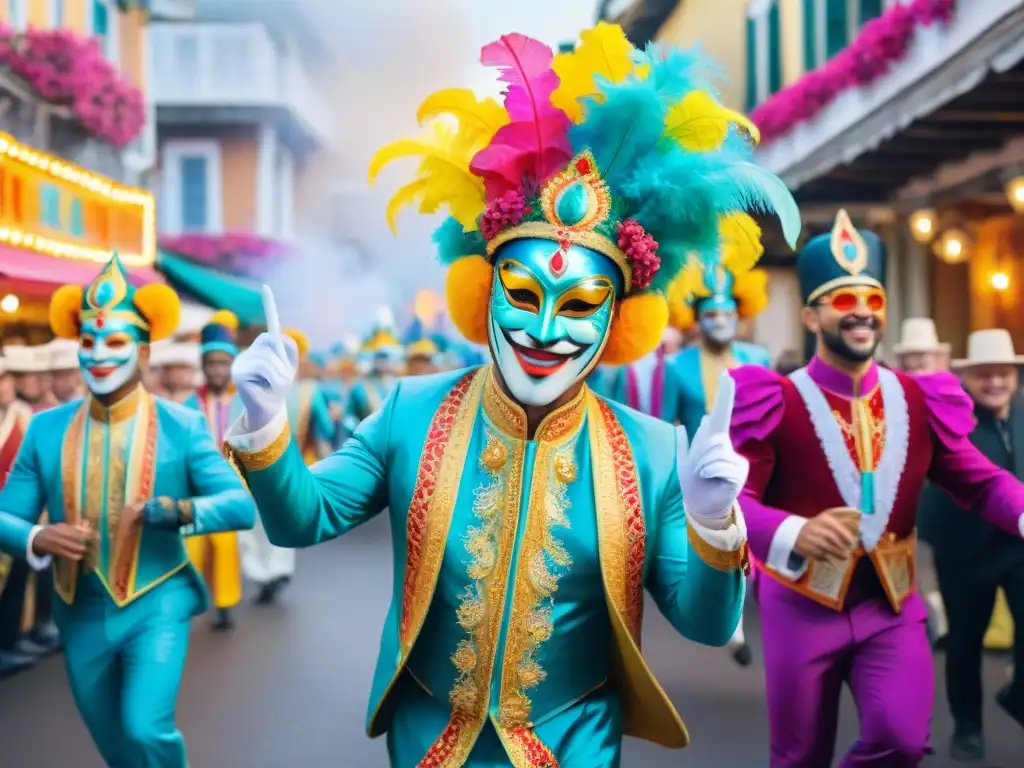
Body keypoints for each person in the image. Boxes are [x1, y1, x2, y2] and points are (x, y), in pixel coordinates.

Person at [225, 22, 798, 765]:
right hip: (430, 738)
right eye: (523, 294)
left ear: (619, 322)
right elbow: (303, 518)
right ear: (482, 293)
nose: (546, 328)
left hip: (573, 744)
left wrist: (717, 524)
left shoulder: (654, 450)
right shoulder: (410, 411)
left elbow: (704, 623)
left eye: (581, 304)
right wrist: (265, 421)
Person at [729, 210, 1024, 767]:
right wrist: (793, 529)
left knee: (903, 740)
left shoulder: (918, 398)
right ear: (810, 315)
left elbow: (979, 482)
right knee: (799, 756)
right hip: (801, 603)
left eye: (874, 299)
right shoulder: (775, 399)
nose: (863, 311)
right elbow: (733, 504)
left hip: (891, 605)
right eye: (843, 300)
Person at [0, 252, 254, 766]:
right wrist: (36, 538)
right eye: (88, 342)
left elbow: (239, 505)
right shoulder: (45, 429)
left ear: (143, 352)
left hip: (156, 602)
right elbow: (8, 514)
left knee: (144, 727)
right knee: (114, 744)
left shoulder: (181, 425)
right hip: (81, 608)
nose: (97, 354)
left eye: (114, 342)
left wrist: (174, 510)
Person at [917, 328, 1024, 761]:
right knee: (964, 643)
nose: (995, 382)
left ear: (1015, 378)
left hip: (1018, 547)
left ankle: (1017, 695)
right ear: (969, 377)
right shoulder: (952, 414)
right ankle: (967, 727)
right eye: (985, 374)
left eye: (1002, 374)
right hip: (962, 545)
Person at [667, 230, 772, 667]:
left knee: (762, 547)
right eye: (710, 311)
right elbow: (665, 425)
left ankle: (767, 614)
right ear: (696, 317)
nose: (720, 318)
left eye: (727, 310)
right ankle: (734, 627)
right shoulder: (677, 366)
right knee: (724, 546)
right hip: (703, 478)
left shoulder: (759, 359)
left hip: (756, 470)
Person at [183, 311, 246, 631]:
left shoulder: (246, 400)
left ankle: (224, 604)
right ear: (203, 366)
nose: (218, 369)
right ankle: (191, 601)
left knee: (223, 545)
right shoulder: (188, 402)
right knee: (192, 544)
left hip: (230, 485)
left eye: (224, 363)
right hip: (195, 485)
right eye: (212, 363)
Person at [0, 358, 37, 677]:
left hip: (17, 514)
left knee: (17, 579)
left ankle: (9, 642)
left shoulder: (23, 416)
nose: (5, 386)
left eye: (7, 379)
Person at [342, 308, 402, 435]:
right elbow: (349, 418)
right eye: (381, 357)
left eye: (388, 357)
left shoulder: (400, 386)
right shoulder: (359, 387)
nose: (385, 362)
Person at [47, 338, 85, 403]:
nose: (62, 381)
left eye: (67, 373)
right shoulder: (43, 403)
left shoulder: (88, 401)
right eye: (57, 374)